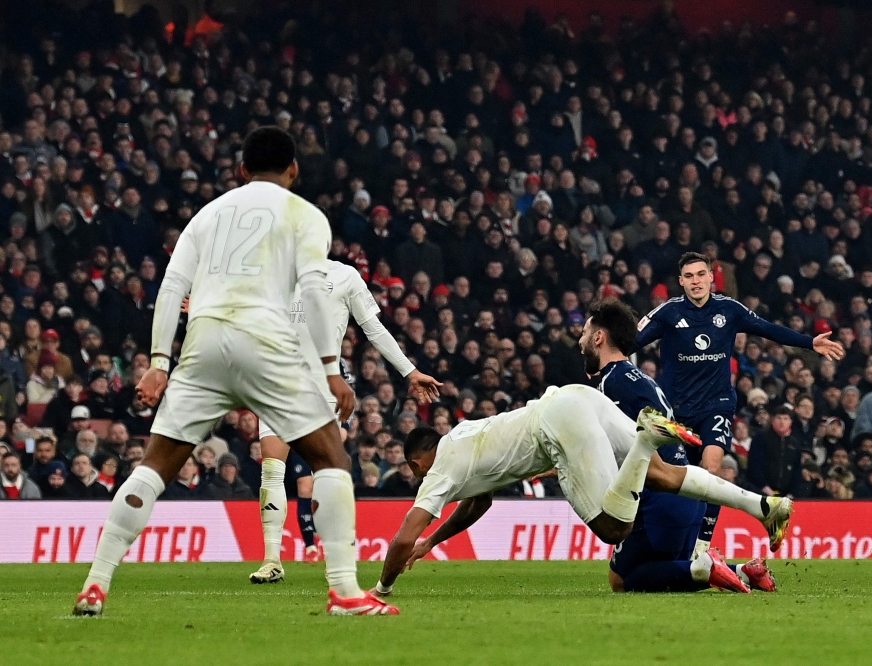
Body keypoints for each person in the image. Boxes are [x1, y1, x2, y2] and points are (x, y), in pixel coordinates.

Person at [73, 127, 399, 617]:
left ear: (241, 170)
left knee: (154, 467)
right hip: (266, 341)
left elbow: (170, 289)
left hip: (202, 345)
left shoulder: (206, 215)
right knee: (331, 460)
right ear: (294, 169)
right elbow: (312, 292)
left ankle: (95, 583)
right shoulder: (305, 215)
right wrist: (330, 368)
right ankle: (345, 591)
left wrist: (159, 363)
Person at [371, 384, 792, 598]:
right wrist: (434, 541)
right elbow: (477, 502)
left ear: (415, 463)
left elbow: (402, 535)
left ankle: (646, 440)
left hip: (555, 424)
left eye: (416, 474)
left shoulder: (438, 468)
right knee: (664, 475)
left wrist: (383, 588)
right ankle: (763, 507)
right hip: (576, 397)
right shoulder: (462, 436)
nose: (419, 481)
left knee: (614, 528)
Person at [635, 252, 844, 557]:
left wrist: (809, 342)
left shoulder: (729, 309)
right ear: (681, 282)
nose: (695, 281)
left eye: (700, 274)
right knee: (676, 481)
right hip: (676, 413)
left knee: (710, 469)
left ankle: (702, 549)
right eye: (689, 276)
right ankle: (672, 546)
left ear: (711, 277)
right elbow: (631, 342)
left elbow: (768, 329)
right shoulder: (667, 313)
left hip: (715, 406)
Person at [250, 259, 441, 583]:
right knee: (272, 467)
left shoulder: (344, 276)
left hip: (324, 386)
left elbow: (374, 329)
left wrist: (410, 371)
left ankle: (337, 559)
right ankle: (272, 559)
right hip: (277, 383)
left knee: (326, 474)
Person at [580, 299, 775, 594]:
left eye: (584, 333)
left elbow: (615, 447)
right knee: (669, 570)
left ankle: (706, 567)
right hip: (688, 496)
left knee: (621, 580)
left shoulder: (612, 383)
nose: (580, 340)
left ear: (598, 337)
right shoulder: (640, 379)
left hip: (660, 497)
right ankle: (744, 572)